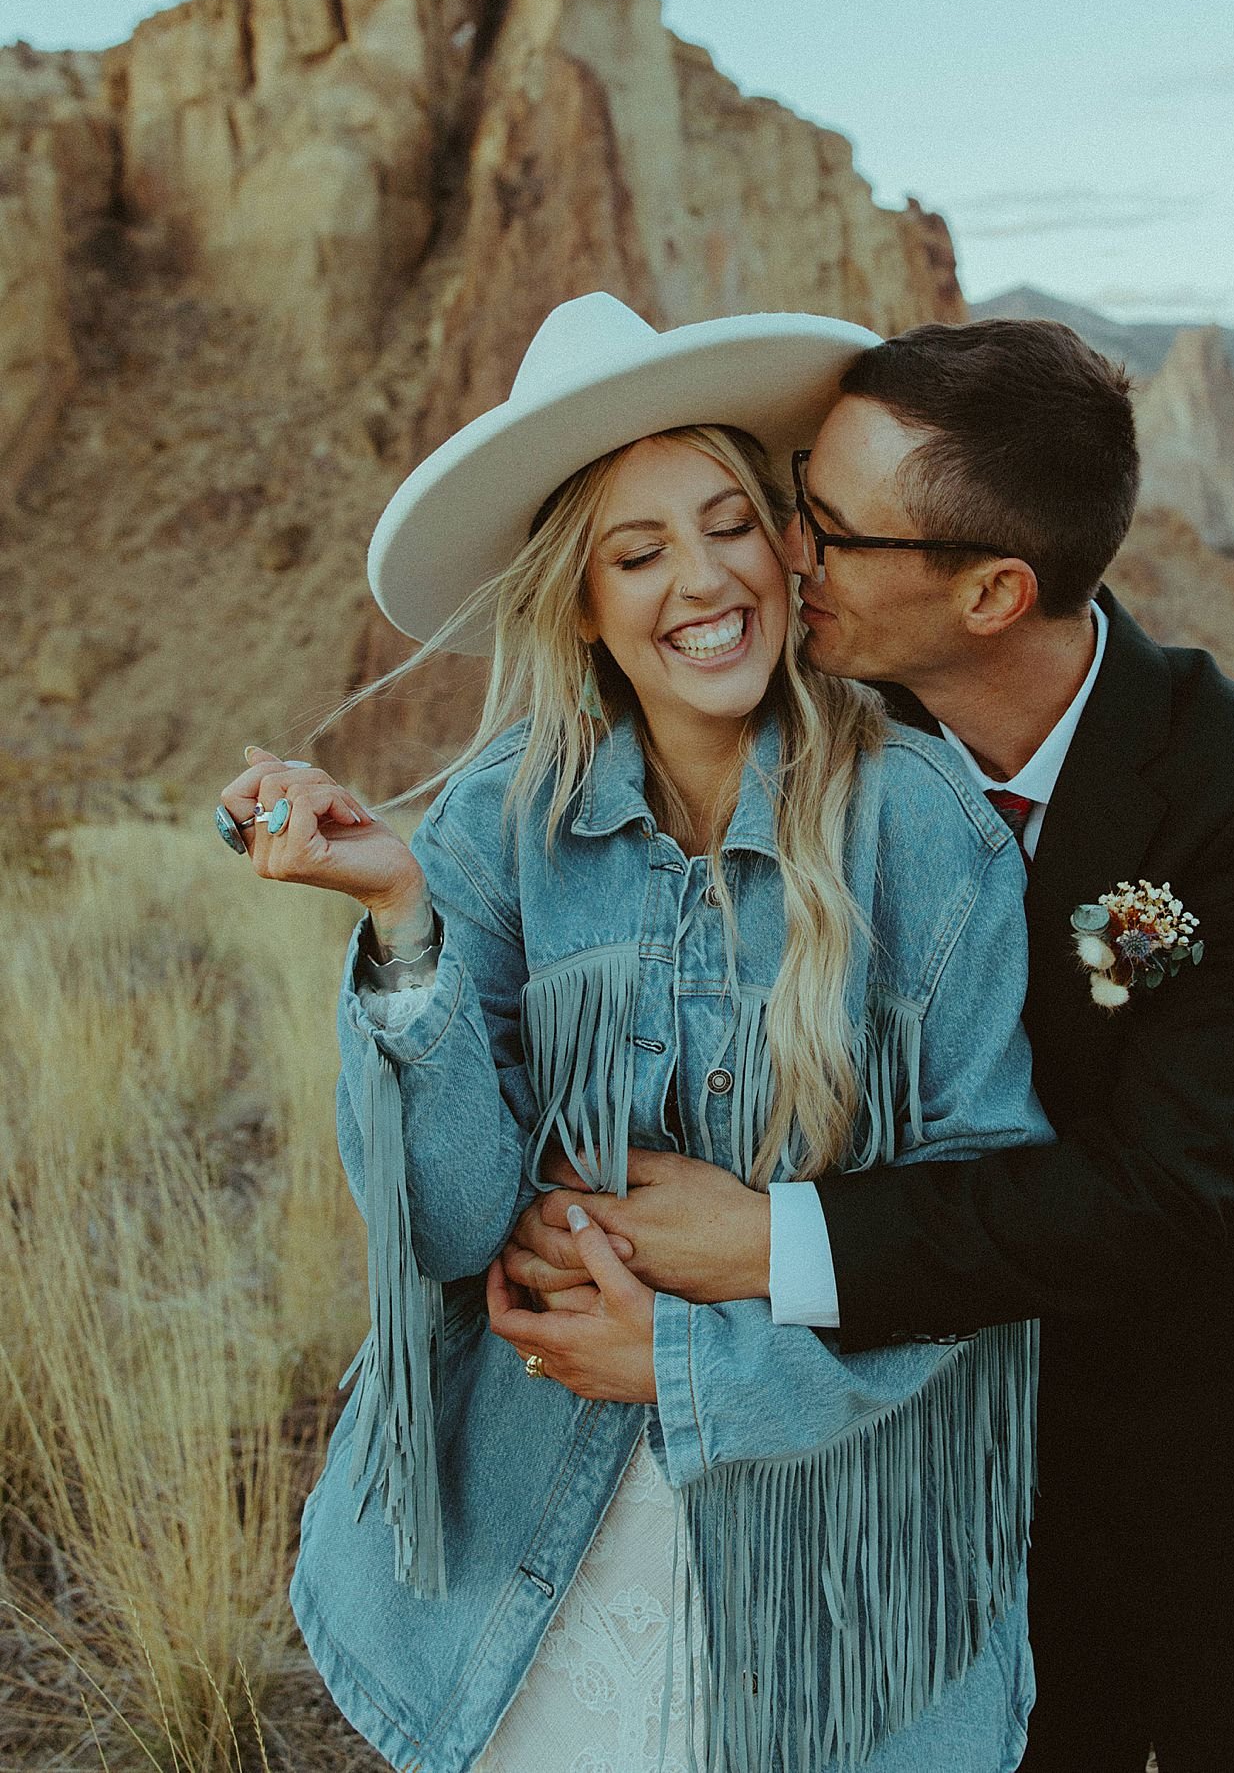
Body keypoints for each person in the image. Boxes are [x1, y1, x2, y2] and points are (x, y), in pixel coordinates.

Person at [504, 314, 1234, 1773]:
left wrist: (769, 1247)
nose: (785, 556)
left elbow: (1165, 1191)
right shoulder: (808, 725)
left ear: (992, 590)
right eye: (799, 495)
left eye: (831, 530)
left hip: (1200, 1450)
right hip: (920, 1460)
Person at [214, 293, 1053, 1773]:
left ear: (792, 553)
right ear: (581, 601)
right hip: (544, 1538)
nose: (702, 580)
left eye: (730, 523)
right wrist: (405, 919)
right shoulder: (497, 824)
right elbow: (453, 1219)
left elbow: (982, 1231)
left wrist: (693, 1361)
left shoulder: (925, 838)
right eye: (637, 550)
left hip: (832, 1558)